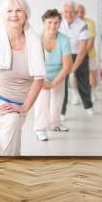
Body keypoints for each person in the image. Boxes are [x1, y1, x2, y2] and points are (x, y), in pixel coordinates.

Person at [0, 0, 45, 156]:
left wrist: (25, 106)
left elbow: (39, 79)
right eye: (9, 11)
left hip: (22, 104)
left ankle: (0, 158)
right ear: (3, 15)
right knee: (12, 121)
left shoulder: (34, 43)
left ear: (26, 14)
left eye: (18, 10)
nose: (14, 14)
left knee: (12, 136)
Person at [34, 9, 73, 141]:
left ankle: (55, 124)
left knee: (57, 101)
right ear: (44, 23)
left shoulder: (64, 40)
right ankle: (40, 128)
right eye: (50, 22)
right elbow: (33, 64)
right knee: (42, 100)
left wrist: (54, 82)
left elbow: (67, 65)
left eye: (56, 22)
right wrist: (43, 81)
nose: (53, 26)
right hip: (40, 75)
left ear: (60, 23)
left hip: (59, 74)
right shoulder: (36, 39)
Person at [59, 1, 95, 121]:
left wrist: (73, 68)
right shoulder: (59, 23)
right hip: (64, 55)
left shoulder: (82, 25)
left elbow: (83, 48)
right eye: (66, 12)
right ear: (62, 13)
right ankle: (62, 112)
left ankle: (88, 106)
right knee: (62, 84)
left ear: (75, 13)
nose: (68, 14)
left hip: (80, 55)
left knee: (83, 82)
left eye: (71, 12)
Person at [76, 4, 98, 102]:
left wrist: (83, 53)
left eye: (82, 12)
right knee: (75, 76)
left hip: (90, 54)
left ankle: (93, 93)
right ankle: (75, 95)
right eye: (78, 12)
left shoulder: (90, 22)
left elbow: (91, 41)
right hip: (75, 55)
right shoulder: (73, 23)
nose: (80, 14)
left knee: (92, 74)